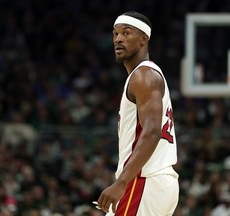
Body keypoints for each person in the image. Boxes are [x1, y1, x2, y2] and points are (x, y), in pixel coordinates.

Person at [96, 11, 179, 216]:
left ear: (144, 39)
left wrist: (122, 182)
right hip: (154, 182)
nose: (118, 39)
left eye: (126, 33)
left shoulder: (143, 75)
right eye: (115, 34)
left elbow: (152, 132)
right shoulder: (145, 74)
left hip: (144, 181)